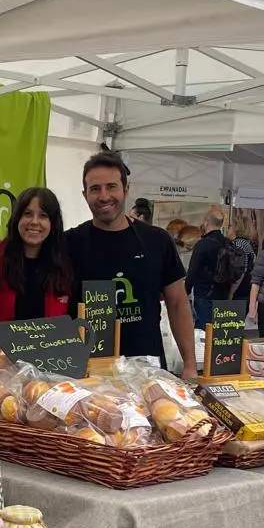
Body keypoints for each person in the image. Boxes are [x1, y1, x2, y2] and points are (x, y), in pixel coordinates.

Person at [66, 153, 196, 377]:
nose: (104, 196)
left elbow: (177, 304)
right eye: (95, 189)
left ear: (126, 190)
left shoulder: (157, 240)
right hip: (88, 374)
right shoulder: (68, 243)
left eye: (112, 187)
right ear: (85, 194)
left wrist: (190, 365)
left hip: (147, 369)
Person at [0, 187, 75, 321]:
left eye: (43, 216)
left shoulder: (64, 266)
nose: (34, 222)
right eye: (28, 214)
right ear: (17, 218)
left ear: (53, 223)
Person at [184, 206, 231, 330]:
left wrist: (186, 290)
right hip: (223, 294)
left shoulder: (202, 244)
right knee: (219, 332)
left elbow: (192, 270)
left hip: (204, 294)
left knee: (203, 330)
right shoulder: (229, 243)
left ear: (206, 223)